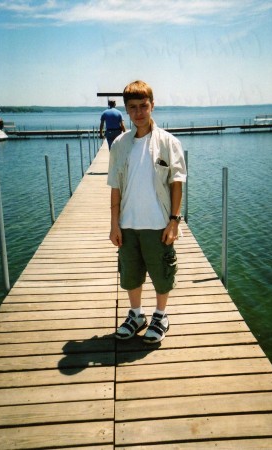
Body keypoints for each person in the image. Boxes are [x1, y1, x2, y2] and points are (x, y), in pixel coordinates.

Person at [107, 80, 187, 344]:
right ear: (126, 111)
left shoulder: (168, 142)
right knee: (130, 274)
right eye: (133, 107)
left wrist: (174, 221)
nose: (139, 112)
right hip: (128, 224)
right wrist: (114, 224)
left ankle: (161, 315)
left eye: (144, 106)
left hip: (158, 223)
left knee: (162, 274)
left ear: (152, 105)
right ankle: (136, 315)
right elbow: (116, 187)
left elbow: (177, 183)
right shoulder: (119, 144)